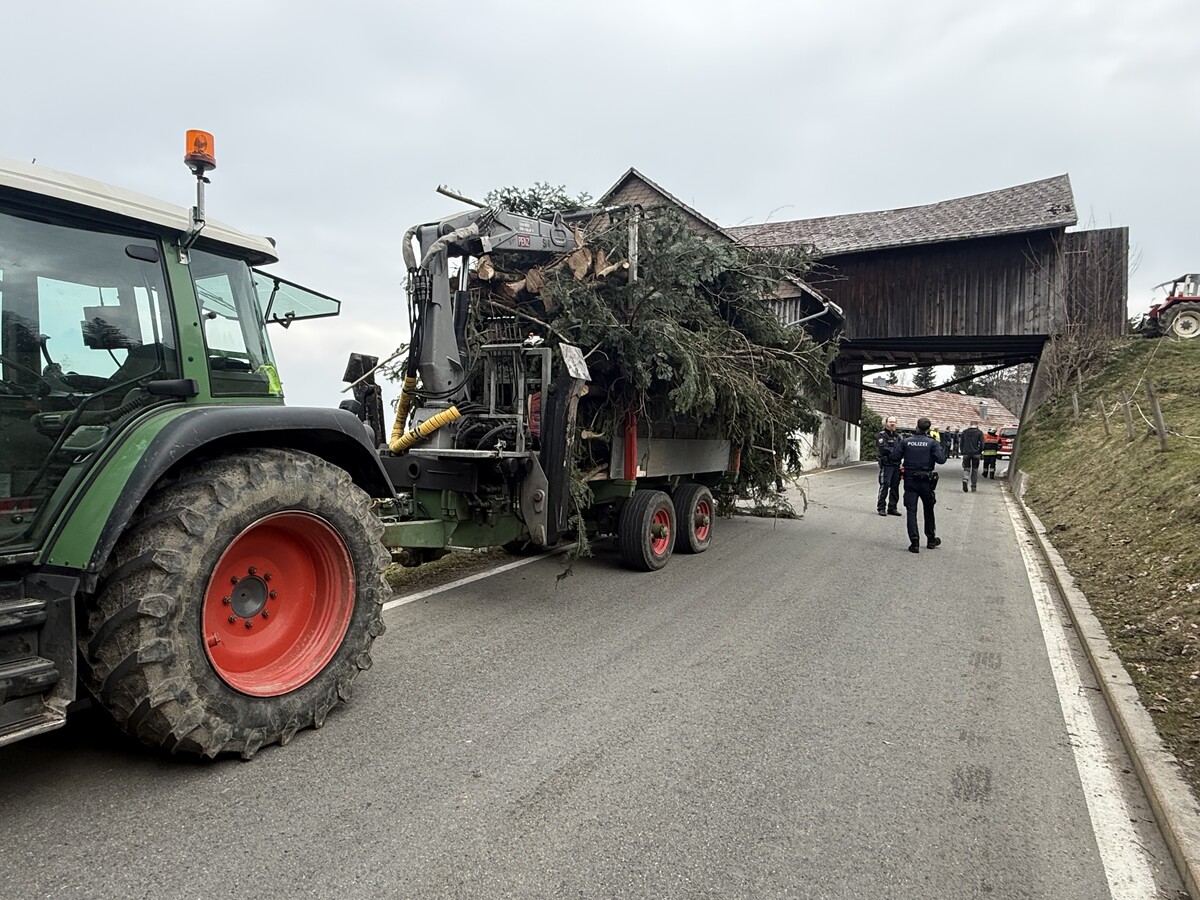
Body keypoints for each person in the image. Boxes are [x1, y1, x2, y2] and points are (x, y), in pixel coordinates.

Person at [890, 417, 948, 553]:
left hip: (910, 479)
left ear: (917, 427)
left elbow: (894, 457)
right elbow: (941, 460)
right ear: (928, 429)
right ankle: (931, 539)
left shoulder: (906, 442)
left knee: (911, 511)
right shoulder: (932, 443)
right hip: (926, 480)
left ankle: (914, 542)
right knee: (929, 509)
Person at [875, 416, 903, 516]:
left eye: (894, 422)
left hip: (896, 465)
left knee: (895, 487)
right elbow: (883, 449)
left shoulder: (898, 437)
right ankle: (881, 507)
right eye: (890, 422)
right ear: (886, 423)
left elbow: (902, 449)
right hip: (887, 464)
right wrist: (895, 453)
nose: (892, 424)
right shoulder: (882, 435)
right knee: (885, 485)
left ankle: (892, 508)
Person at [960, 420, 984, 491]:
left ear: (970, 425)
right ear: (977, 425)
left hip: (966, 453)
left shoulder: (964, 432)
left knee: (966, 468)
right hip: (976, 453)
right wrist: (980, 451)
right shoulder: (979, 432)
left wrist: (962, 452)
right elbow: (982, 444)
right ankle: (973, 486)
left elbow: (961, 443)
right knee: (975, 469)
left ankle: (965, 479)